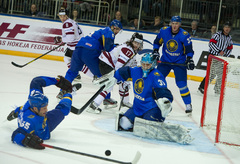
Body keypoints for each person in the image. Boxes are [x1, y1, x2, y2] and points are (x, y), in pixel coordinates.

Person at [93, 53, 193, 144]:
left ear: (153, 64)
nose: (145, 67)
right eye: (143, 64)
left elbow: (162, 90)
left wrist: (165, 100)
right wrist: (113, 77)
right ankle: (138, 121)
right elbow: (125, 71)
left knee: (146, 129)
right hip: (137, 108)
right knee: (124, 124)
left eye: (148, 64)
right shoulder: (136, 70)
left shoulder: (156, 75)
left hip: (152, 109)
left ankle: (175, 132)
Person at [57, 19, 123, 99]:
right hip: (89, 51)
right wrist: (119, 48)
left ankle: (62, 91)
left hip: (78, 48)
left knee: (72, 72)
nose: (117, 32)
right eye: (118, 29)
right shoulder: (109, 32)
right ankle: (106, 98)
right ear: (113, 27)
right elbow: (108, 49)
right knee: (102, 76)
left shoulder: (101, 31)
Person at [7, 75, 75, 149]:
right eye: (44, 108)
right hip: (45, 128)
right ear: (35, 108)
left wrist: (58, 81)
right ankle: (67, 94)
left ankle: (15, 113)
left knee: (22, 108)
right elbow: (15, 135)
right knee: (64, 109)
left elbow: (36, 82)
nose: (47, 110)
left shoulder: (33, 99)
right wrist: (26, 140)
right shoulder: (30, 122)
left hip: (28, 113)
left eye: (46, 106)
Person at [86, 32, 144, 113]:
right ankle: (93, 106)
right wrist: (119, 79)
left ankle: (125, 102)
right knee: (110, 85)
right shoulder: (128, 50)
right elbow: (118, 66)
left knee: (123, 82)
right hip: (107, 64)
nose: (136, 45)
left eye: (138, 43)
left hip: (107, 63)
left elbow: (129, 65)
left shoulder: (131, 50)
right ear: (131, 41)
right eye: (135, 42)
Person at [152, 16, 195, 114]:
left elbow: (189, 50)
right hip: (165, 61)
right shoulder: (164, 31)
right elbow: (156, 42)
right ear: (170, 23)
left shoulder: (184, 35)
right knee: (157, 80)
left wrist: (189, 59)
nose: (174, 26)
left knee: (182, 84)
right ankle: (154, 100)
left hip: (179, 63)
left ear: (180, 24)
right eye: (173, 23)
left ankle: (188, 104)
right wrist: (155, 51)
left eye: (176, 24)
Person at [198, 21, 233, 94]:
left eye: (228, 27)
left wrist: (225, 55)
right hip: (213, 57)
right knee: (211, 74)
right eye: (226, 27)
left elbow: (230, 48)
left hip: (221, 59)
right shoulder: (217, 35)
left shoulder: (229, 38)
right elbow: (211, 44)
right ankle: (202, 88)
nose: (227, 29)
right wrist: (219, 51)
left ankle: (217, 90)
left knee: (221, 74)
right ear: (223, 28)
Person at [54, 9, 84, 86]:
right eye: (60, 16)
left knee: (80, 64)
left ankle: (95, 74)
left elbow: (70, 38)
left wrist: (61, 39)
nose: (62, 18)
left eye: (64, 16)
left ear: (66, 15)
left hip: (74, 47)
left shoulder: (67, 24)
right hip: (76, 45)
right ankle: (76, 74)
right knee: (67, 58)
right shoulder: (71, 21)